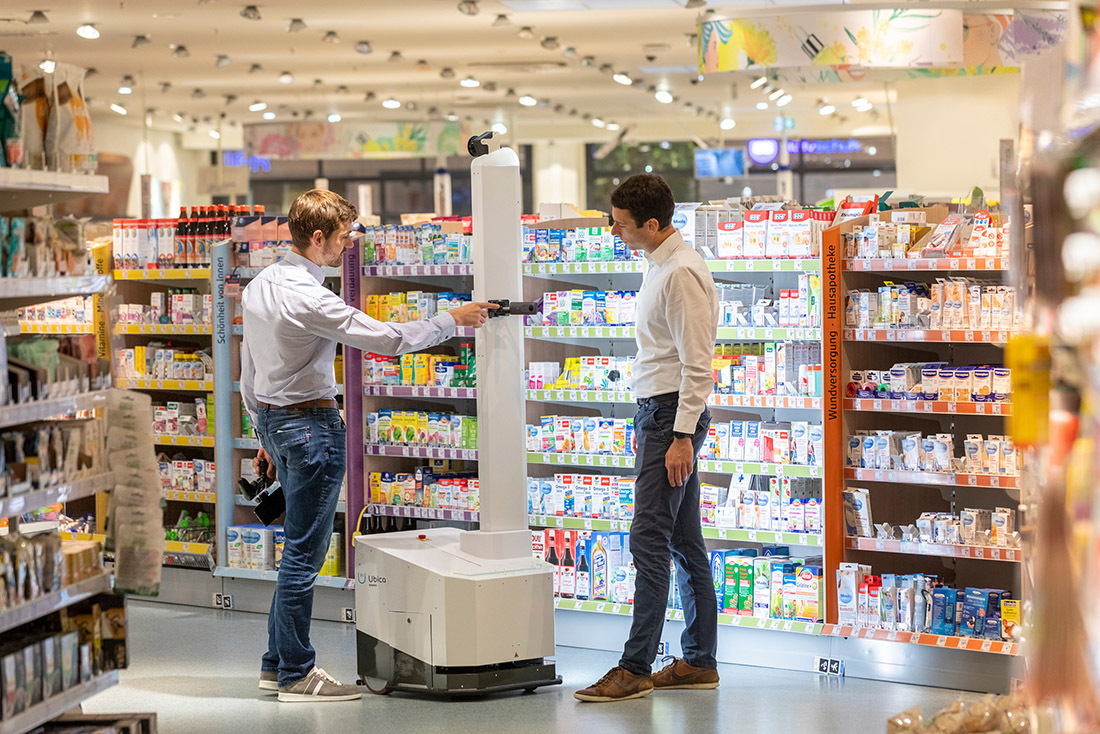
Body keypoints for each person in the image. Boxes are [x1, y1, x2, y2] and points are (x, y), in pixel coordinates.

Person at [240, 189, 495, 703]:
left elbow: (249, 368)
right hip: (310, 428)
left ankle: (275, 665)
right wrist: (452, 319)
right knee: (304, 557)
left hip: (274, 420)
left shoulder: (262, 282)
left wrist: (261, 431)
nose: (348, 245)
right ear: (318, 238)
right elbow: (383, 339)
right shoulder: (309, 296)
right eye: (342, 237)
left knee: (296, 549)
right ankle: (295, 672)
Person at [575, 174, 720, 703]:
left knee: (648, 538)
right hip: (661, 415)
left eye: (621, 225)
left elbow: (698, 365)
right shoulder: (659, 264)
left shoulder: (680, 273)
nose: (615, 232)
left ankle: (635, 666)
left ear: (652, 225)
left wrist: (682, 436)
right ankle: (699, 661)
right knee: (684, 540)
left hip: (669, 421)